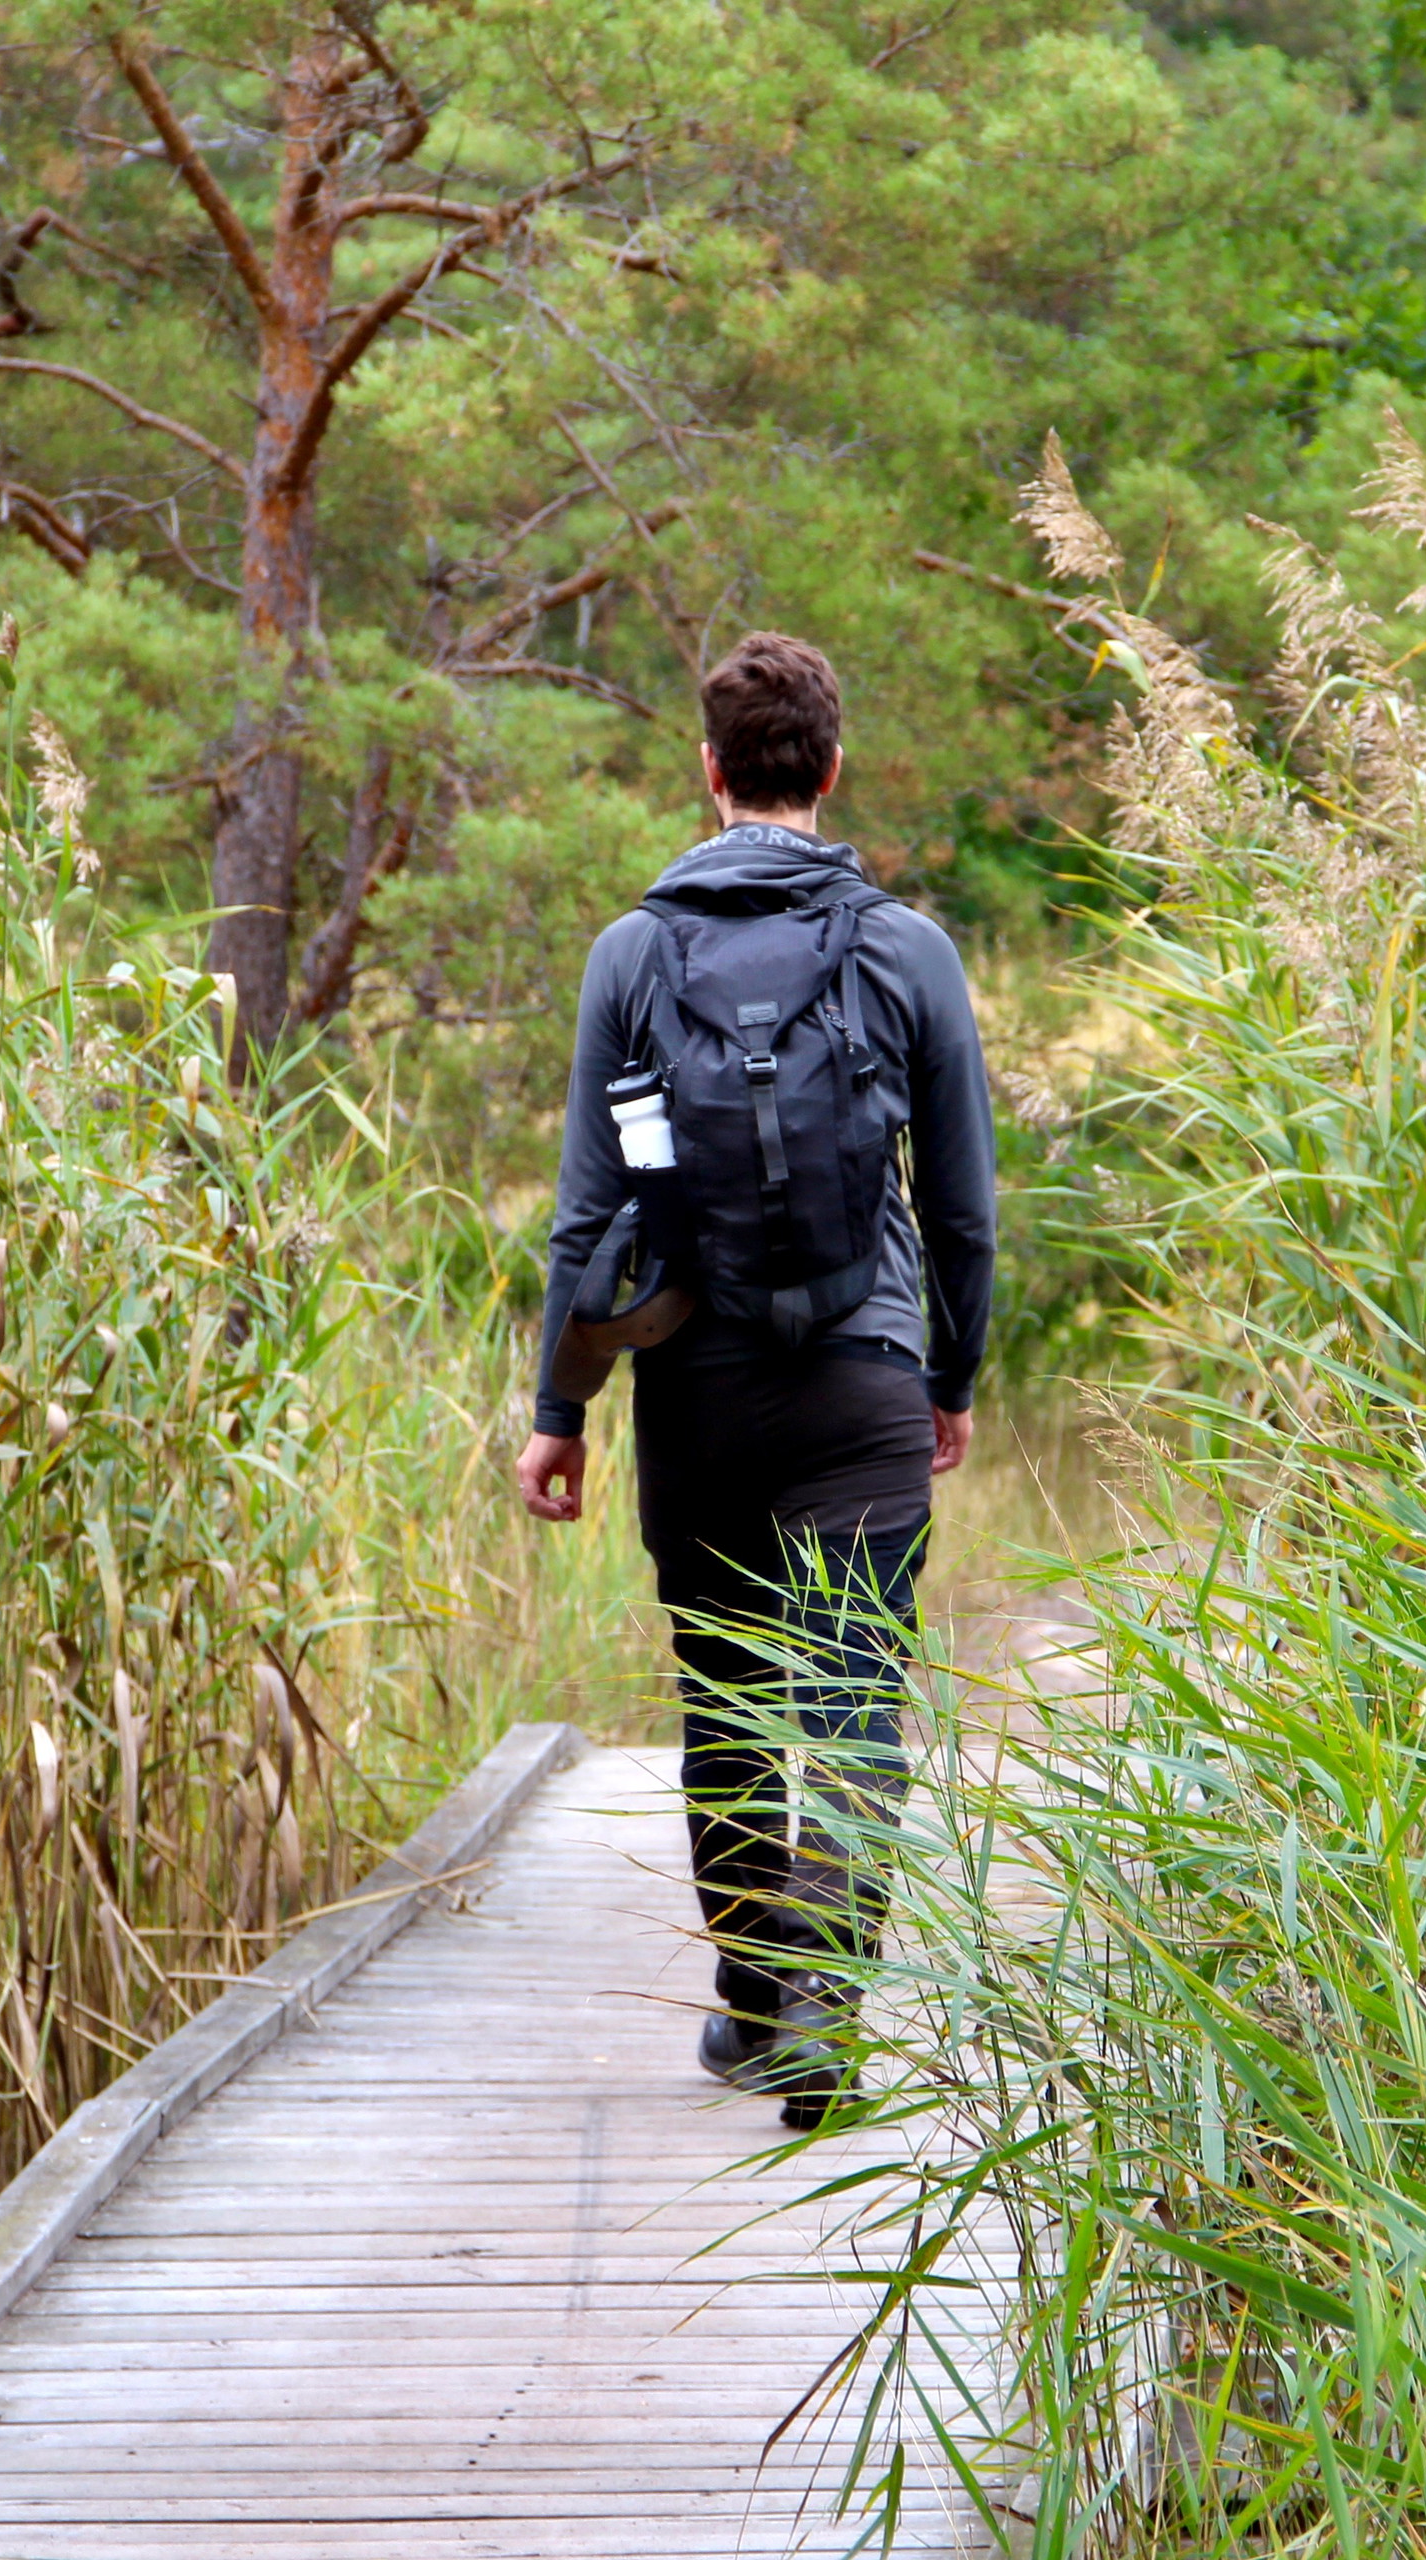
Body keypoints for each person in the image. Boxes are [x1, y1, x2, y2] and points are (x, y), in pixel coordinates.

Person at [513, 631, 994, 2131]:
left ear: (711, 773)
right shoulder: (907, 949)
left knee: (726, 1695)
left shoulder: (633, 953)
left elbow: (590, 1209)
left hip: (698, 1391)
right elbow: (966, 1204)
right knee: (855, 1693)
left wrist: (559, 1412)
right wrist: (950, 1374)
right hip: (866, 1376)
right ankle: (828, 2019)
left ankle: (752, 2005)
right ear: (831, 770)